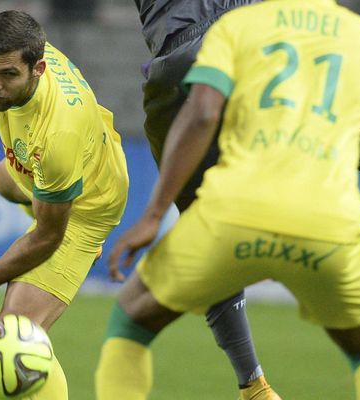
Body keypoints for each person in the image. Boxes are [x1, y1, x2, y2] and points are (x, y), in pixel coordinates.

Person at [99, 0, 360, 399]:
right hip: (329, 227)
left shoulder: (244, 27)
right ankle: (257, 387)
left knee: (131, 321)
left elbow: (203, 114)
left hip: (229, 205)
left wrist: (153, 215)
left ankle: (252, 384)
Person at [0, 10, 128, 400]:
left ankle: (83, 246)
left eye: (7, 76)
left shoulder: (58, 135)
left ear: (38, 69)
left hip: (89, 203)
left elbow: (49, 236)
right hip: (36, 174)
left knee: (17, 333)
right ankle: (43, 206)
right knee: (1, 178)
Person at [96, 1, 281, 400]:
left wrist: (154, 213)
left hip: (179, 60)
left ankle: (253, 383)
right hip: (258, 34)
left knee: (198, 232)